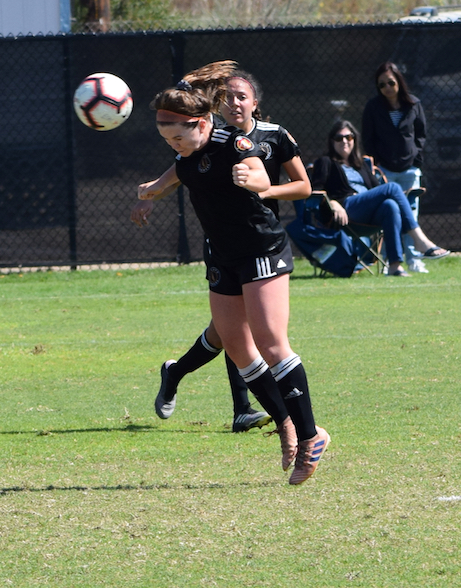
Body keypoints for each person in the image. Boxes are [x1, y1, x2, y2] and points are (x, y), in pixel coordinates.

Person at [135, 64, 329, 485]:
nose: (174, 146)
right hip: (223, 257)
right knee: (239, 350)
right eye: (167, 139)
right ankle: (286, 425)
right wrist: (152, 192)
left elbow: (262, 172)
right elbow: (178, 173)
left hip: (261, 250)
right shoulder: (189, 150)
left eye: (178, 137)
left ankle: (311, 435)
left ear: (202, 124)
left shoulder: (237, 144)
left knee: (272, 344)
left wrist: (258, 180)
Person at [310, 119, 449, 277]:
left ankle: (394, 266)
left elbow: (376, 190)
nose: (344, 141)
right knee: (393, 187)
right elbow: (316, 189)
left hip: (367, 211)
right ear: (331, 141)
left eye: (348, 137)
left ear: (354, 140)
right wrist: (334, 203)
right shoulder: (325, 162)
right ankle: (419, 240)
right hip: (346, 209)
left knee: (390, 205)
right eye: (338, 138)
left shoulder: (360, 164)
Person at [361, 62, 429, 273]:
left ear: (399, 81)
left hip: (409, 169)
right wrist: (378, 164)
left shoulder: (413, 104)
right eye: (382, 85)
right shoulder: (373, 108)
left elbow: (421, 134)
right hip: (386, 171)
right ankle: (392, 260)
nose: (388, 88)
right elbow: (368, 138)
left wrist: (415, 156)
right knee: (392, 215)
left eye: (391, 82)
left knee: (412, 213)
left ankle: (414, 260)